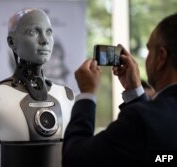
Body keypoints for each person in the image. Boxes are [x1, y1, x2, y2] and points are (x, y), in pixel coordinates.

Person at [62, 13, 177, 166]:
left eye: (149, 50)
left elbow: (75, 159)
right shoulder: (150, 117)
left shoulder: (141, 119)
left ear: (161, 57)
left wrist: (87, 94)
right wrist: (133, 90)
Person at [0, 8, 74, 167]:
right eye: (33, 32)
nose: (44, 40)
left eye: (48, 32)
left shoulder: (67, 95)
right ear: (12, 42)